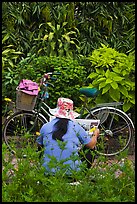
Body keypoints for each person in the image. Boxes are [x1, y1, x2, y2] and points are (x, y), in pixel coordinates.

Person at [36, 97, 99, 176]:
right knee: (90, 149)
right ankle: (81, 174)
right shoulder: (75, 126)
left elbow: (39, 144)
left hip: (48, 174)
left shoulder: (46, 126)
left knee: (42, 146)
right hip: (72, 175)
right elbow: (91, 145)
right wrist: (95, 134)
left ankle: (45, 168)